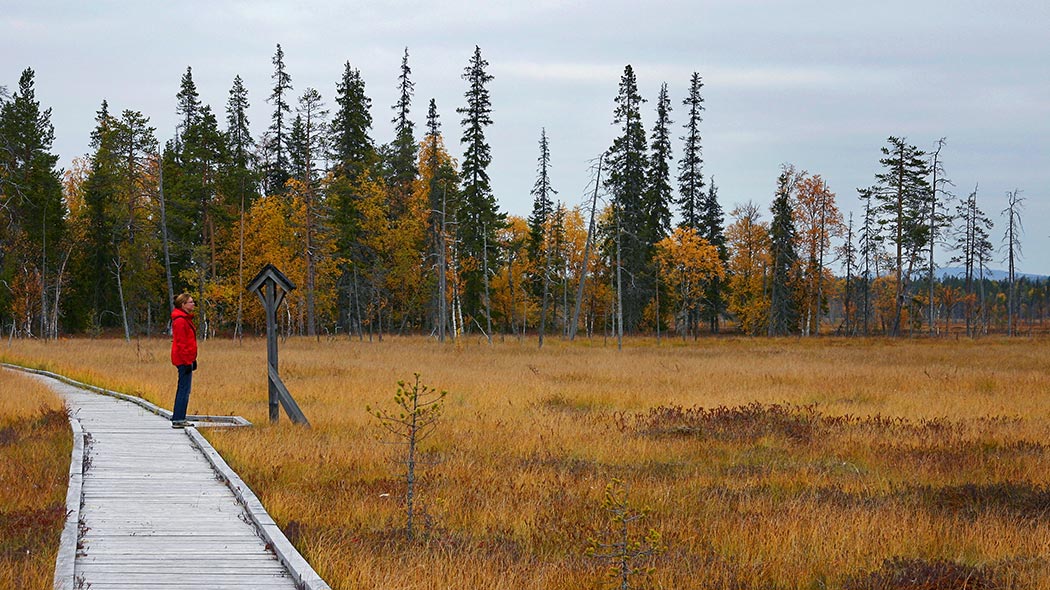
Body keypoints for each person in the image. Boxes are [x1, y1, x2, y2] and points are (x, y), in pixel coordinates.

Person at [170, 293, 198, 428]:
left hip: (186, 359)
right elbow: (182, 343)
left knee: (185, 388)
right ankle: (178, 419)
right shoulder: (180, 321)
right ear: (183, 305)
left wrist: (193, 359)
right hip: (183, 360)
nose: (193, 304)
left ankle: (179, 417)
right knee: (184, 389)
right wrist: (187, 362)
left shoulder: (184, 319)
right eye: (191, 302)